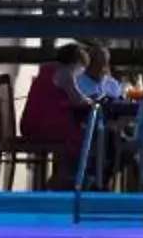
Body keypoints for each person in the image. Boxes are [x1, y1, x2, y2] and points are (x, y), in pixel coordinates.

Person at [17, 46, 92, 185]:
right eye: (82, 67)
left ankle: (60, 176)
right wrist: (91, 101)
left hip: (30, 123)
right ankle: (65, 178)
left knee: (73, 129)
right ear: (75, 62)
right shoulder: (65, 73)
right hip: (45, 126)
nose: (81, 72)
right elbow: (78, 99)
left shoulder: (46, 70)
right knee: (81, 135)